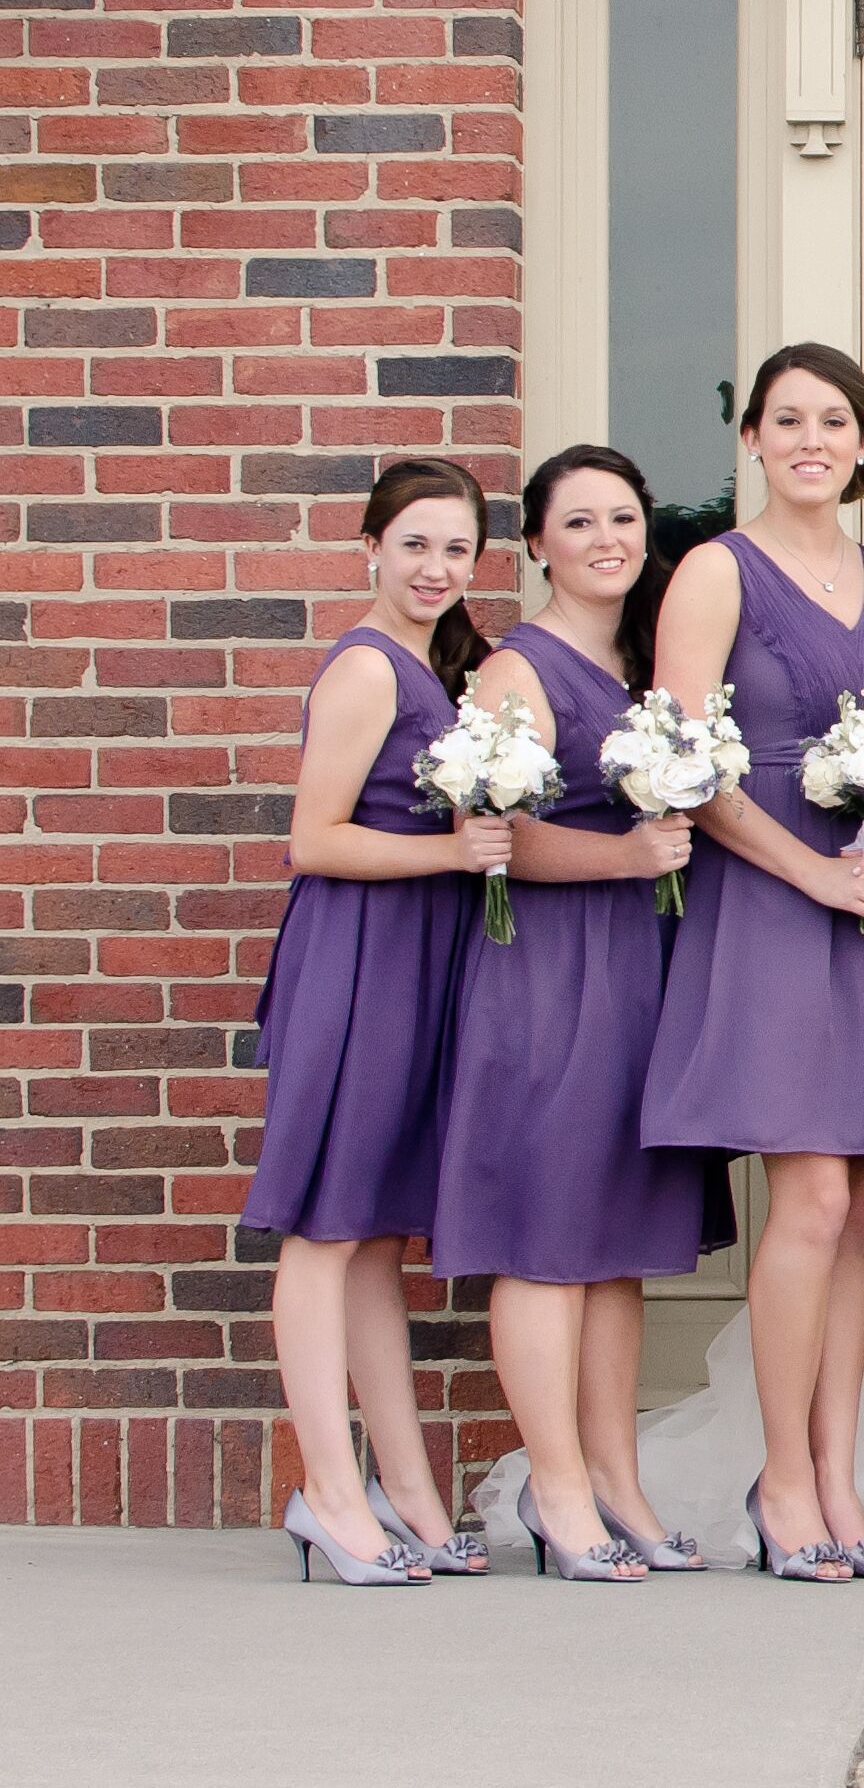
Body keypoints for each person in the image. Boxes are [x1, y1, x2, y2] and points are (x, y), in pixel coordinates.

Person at [638, 343, 864, 1582]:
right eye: (786, 419)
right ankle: (779, 1476)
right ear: (752, 439)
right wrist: (809, 870)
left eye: (834, 420)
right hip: (769, 901)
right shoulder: (714, 571)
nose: (811, 438)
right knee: (811, 1196)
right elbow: (681, 759)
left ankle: (835, 1469)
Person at [431, 446, 725, 1583]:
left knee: (615, 1249)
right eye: (581, 520)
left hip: (639, 965)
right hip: (551, 970)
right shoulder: (517, 668)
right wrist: (624, 853)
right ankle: (557, 1490)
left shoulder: (654, 665)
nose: (608, 537)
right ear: (536, 543)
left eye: (624, 517)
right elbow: (490, 839)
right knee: (553, 1238)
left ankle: (618, 1480)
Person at [244, 458, 505, 1586]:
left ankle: (406, 1488)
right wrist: (453, 849)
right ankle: (330, 1491)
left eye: (457, 548)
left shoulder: (439, 665)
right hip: (354, 958)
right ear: (370, 547)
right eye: (416, 544)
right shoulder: (365, 666)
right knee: (323, 1228)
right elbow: (313, 839)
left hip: (415, 961)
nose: (437, 568)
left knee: (374, 1236)